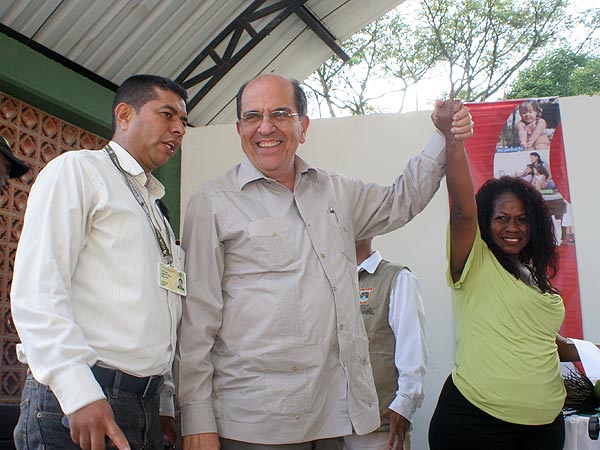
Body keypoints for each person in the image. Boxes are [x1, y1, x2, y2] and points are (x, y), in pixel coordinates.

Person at [176, 73, 473, 450]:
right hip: (255, 425)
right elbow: (196, 319)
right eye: (252, 116)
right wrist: (196, 418)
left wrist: (443, 136)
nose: (265, 127)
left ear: (303, 126)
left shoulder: (335, 191)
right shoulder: (212, 202)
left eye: (280, 114)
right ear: (239, 129)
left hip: (333, 418)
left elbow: (401, 200)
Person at [11, 74, 188, 450]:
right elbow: (38, 292)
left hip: (145, 405)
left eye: (183, 121)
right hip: (83, 399)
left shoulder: (156, 209)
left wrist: (163, 403)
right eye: (167, 114)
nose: (179, 128)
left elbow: (161, 309)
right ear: (124, 115)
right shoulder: (78, 171)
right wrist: (77, 391)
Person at [428, 99, 579, 450]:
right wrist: (453, 140)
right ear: (486, 221)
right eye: (502, 218)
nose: (513, 227)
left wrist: (588, 352)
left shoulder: (533, 276)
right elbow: (462, 209)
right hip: (477, 424)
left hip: (544, 427)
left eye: (522, 219)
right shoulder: (473, 260)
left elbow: (540, 340)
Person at [343, 238, 427, 450]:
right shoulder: (326, 282)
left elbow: (412, 348)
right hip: (330, 428)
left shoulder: (397, 278)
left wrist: (404, 405)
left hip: (379, 429)